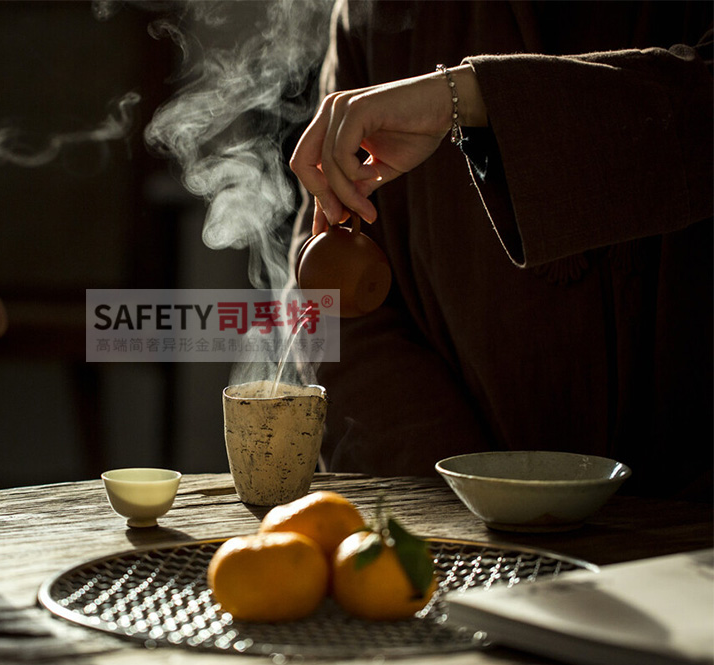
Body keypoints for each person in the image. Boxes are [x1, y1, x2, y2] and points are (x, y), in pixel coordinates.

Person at [288, 0, 713, 500]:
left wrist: (472, 98)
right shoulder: (375, 12)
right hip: (462, 507)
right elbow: (335, 313)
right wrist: (454, 487)